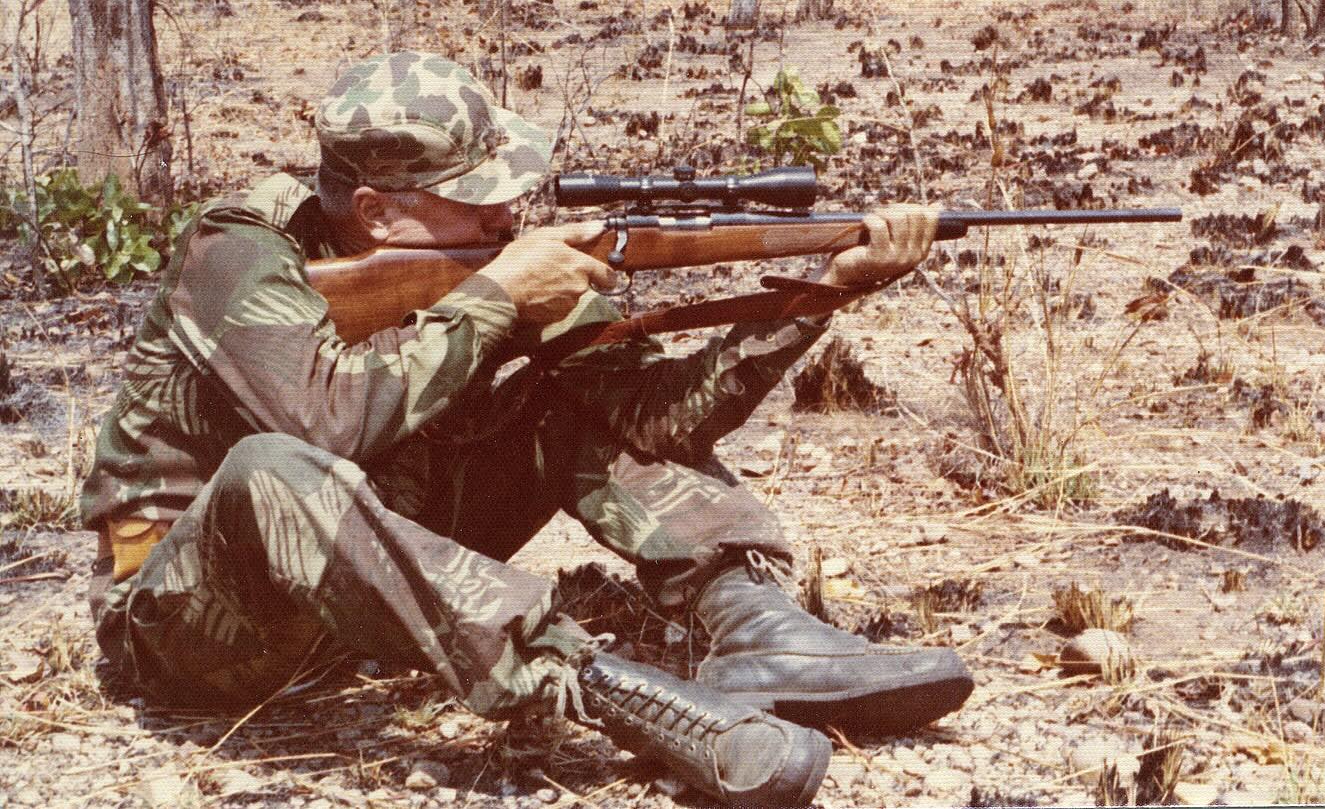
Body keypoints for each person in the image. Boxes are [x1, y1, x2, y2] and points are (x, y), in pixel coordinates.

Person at [82, 51, 972, 805]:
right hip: (194, 623)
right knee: (270, 466)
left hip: (375, 583)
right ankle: (607, 693)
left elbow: (653, 424)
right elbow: (328, 423)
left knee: (569, 398)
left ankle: (750, 625)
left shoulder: (488, 258)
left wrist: (821, 294)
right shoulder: (238, 249)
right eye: (477, 200)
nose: (508, 217)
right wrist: (495, 299)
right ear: (378, 214)